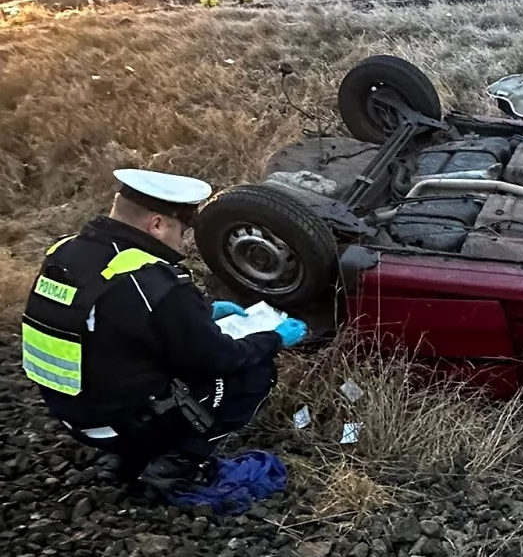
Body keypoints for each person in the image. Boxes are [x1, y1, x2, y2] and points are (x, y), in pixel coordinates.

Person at [19, 168, 308, 490]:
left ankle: (129, 453)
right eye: (182, 230)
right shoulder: (153, 280)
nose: (183, 241)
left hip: (71, 414)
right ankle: (175, 463)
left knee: (141, 365)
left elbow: (109, 319)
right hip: (121, 424)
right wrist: (273, 337)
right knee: (254, 373)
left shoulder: (65, 250)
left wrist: (204, 313)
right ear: (157, 224)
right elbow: (220, 359)